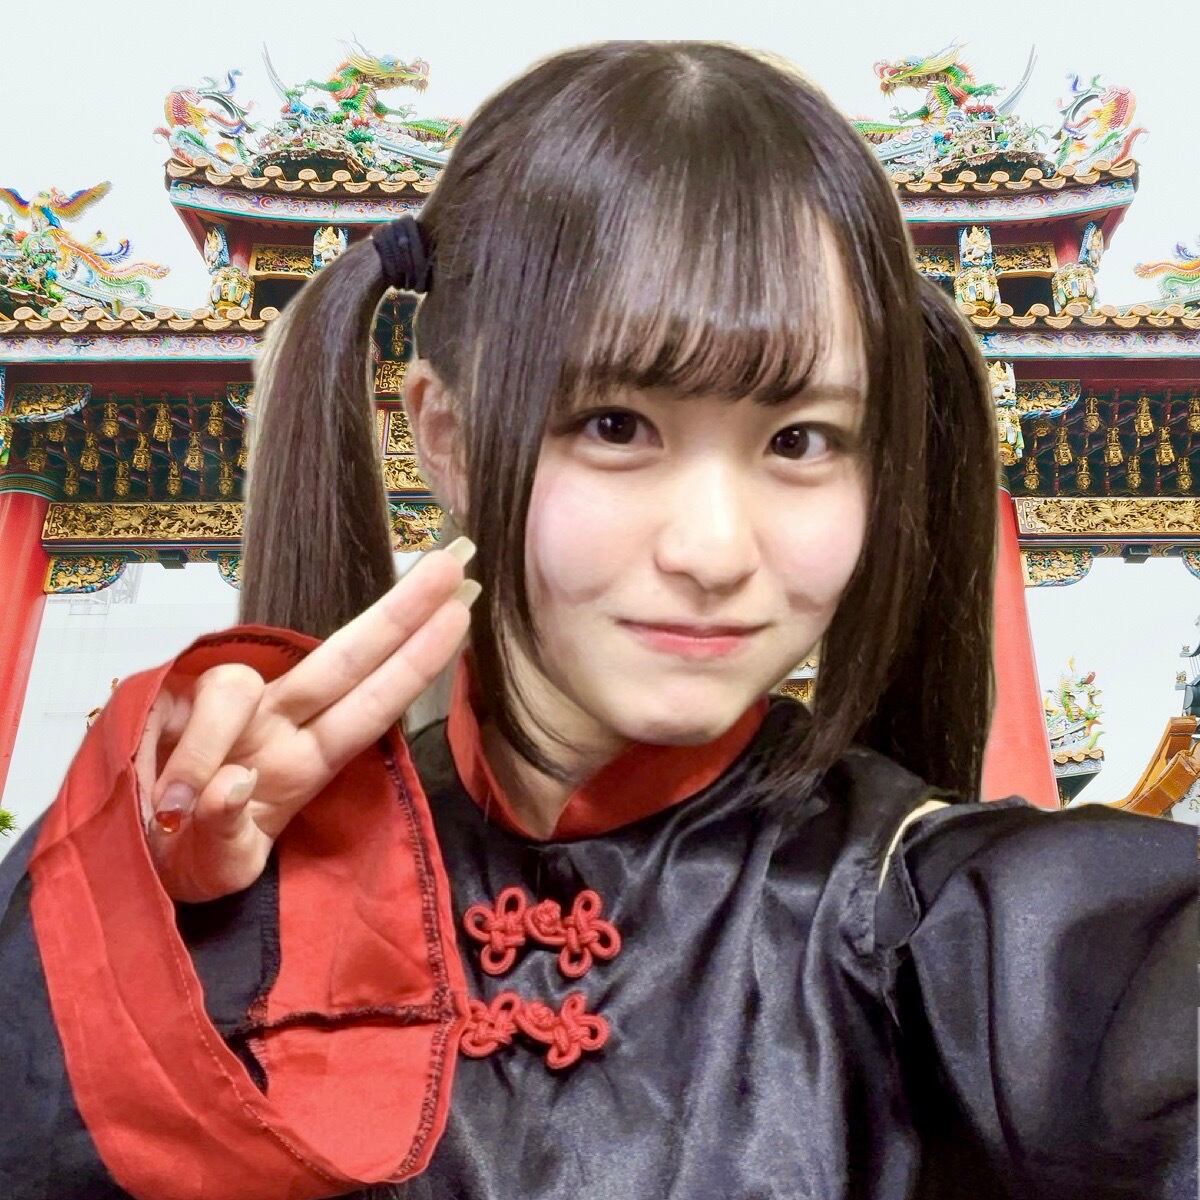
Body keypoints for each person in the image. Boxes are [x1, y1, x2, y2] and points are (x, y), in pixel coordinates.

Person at [0, 38, 1194, 1200]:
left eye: (801, 441)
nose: (714, 552)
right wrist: (124, 923)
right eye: (617, 426)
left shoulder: (924, 918)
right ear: (448, 438)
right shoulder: (242, 892)